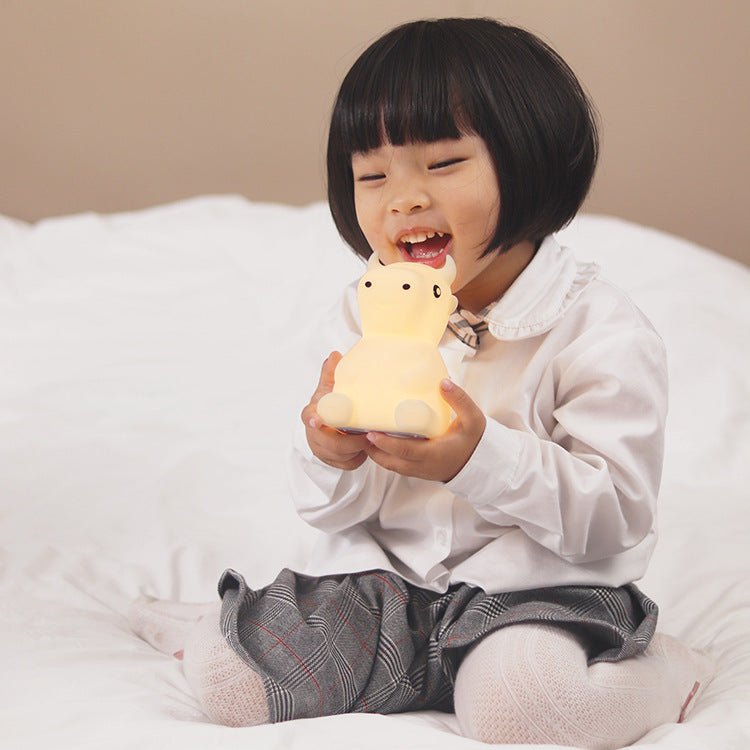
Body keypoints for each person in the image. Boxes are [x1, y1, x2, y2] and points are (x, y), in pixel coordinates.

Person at [129, 18, 712, 747]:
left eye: (442, 163)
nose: (402, 199)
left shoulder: (598, 328)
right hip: (386, 591)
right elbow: (326, 511)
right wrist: (330, 454)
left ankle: (667, 669)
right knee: (229, 681)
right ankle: (228, 628)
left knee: (522, 711)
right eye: (373, 176)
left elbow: (617, 515)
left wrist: (478, 458)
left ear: (528, 161)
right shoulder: (361, 312)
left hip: (539, 594)